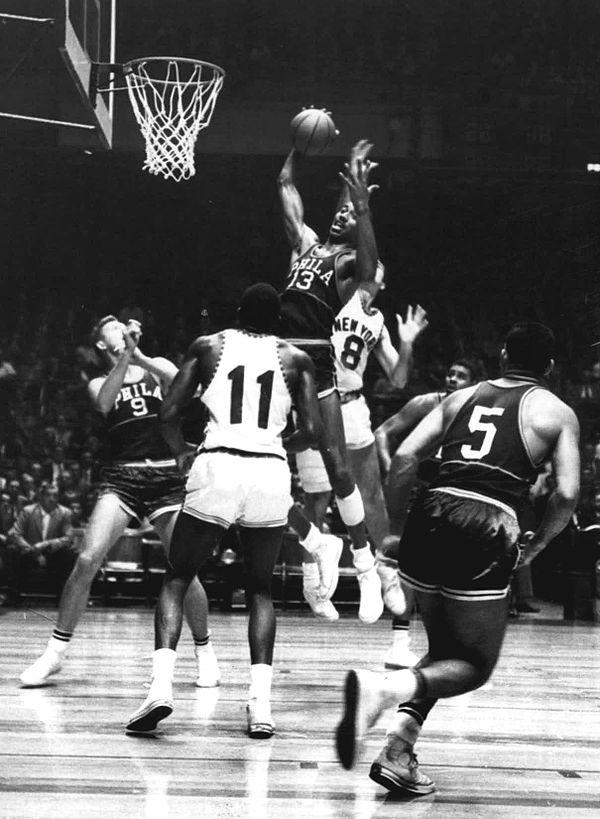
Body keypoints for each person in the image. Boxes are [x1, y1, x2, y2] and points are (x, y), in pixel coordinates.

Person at [335, 322, 580, 795]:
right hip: (486, 522)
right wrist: (538, 544)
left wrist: (393, 536)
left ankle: (398, 752)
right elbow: (567, 494)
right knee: (475, 664)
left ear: (503, 353)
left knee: (446, 649)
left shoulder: (458, 397)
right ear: (548, 367)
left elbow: (405, 457)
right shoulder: (556, 411)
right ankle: (382, 690)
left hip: (432, 510)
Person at [126, 283, 321, 738]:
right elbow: (311, 432)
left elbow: (168, 412)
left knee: (177, 577)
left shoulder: (210, 346)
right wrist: (275, 447)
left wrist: (180, 452)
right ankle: (260, 705)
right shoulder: (296, 359)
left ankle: (160, 688)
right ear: (278, 320)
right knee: (260, 589)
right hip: (270, 472)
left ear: (237, 312)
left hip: (219, 462)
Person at [20, 316, 219, 689]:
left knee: (184, 568)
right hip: (122, 476)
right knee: (86, 558)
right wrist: (126, 357)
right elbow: (105, 402)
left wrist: (137, 354)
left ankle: (205, 653)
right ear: (100, 344)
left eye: (120, 325)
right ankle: (54, 655)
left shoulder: (152, 367)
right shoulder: (97, 381)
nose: (119, 328)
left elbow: (179, 381)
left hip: (164, 476)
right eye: (111, 327)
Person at [278, 137, 403, 623]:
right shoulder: (306, 245)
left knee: (351, 482)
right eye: (342, 209)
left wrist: (365, 211)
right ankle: (318, 548)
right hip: (285, 366)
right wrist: (297, 146)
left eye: (350, 214)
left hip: (326, 378)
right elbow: (286, 184)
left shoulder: (352, 265)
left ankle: (374, 570)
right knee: (273, 483)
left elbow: (370, 268)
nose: (342, 216)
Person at [296, 284, 428, 620]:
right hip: (316, 403)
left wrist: (407, 343)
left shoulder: (377, 322)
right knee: (316, 500)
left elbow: (398, 379)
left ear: (382, 282)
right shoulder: (328, 299)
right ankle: (316, 582)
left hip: (352, 406)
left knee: (372, 499)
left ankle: (383, 577)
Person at [375, 358, 480, 668]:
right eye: (450, 372)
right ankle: (399, 644)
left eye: (461, 375)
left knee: (451, 570)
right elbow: (382, 432)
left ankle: (449, 644)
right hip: (419, 488)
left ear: (471, 383)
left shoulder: (476, 409)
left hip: (452, 492)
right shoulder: (426, 403)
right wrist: (389, 469)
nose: (453, 379)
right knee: (408, 565)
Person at [4, 483, 75, 606]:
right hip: (29, 553)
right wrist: (34, 552)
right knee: (11, 550)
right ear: (40, 497)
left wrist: (44, 545)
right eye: (48, 495)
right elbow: (15, 534)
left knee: (68, 553)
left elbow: (68, 538)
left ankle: (62, 598)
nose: (52, 499)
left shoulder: (65, 513)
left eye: (55, 496)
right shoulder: (28, 511)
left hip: (52, 554)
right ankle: (13, 597)